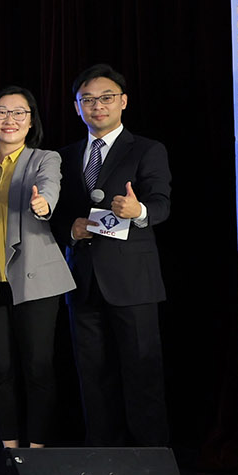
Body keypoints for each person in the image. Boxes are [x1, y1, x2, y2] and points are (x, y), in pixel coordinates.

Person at [56, 63, 172, 447]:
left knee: (143, 375)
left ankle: (150, 463)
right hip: (82, 281)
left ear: (123, 101)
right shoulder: (65, 155)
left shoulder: (147, 149)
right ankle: (103, 459)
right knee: (92, 378)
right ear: (77, 107)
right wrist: (69, 229)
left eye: (106, 97)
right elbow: (57, 214)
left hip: (132, 282)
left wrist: (138, 211)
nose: (97, 106)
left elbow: (162, 204)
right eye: (87, 99)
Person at [0, 86, 73, 449]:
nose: (9, 119)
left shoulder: (44, 158)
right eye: (1, 112)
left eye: (19, 113)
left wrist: (44, 205)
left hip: (36, 277)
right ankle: (10, 451)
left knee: (38, 368)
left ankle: (38, 451)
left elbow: (49, 189)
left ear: (31, 122)